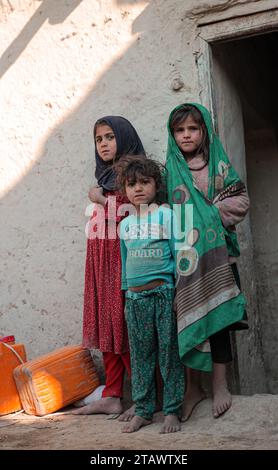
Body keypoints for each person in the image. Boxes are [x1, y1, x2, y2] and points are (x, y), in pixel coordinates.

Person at [165, 103, 249, 420]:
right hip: (184, 261)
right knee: (187, 319)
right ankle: (193, 389)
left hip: (218, 258)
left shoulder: (217, 166)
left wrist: (210, 215)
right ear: (172, 134)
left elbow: (241, 199)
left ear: (204, 132)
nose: (187, 135)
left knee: (219, 323)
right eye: (180, 130)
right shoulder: (169, 171)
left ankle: (219, 385)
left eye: (193, 129)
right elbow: (161, 212)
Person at [73, 116, 145, 418]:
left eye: (110, 137)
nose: (104, 143)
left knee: (124, 326)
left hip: (124, 260)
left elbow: (138, 213)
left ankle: (144, 397)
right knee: (107, 324)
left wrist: (102, 200)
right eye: (99, 139)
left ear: (125, 138)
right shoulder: (104, 175)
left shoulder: (138, 175)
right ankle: (113, 394)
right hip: (101, 262)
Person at [115, 155, 184, 434]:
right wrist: (124, 297)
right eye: (131, 184)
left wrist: (180, 292)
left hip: (164, 295)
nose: (138, 189)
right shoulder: (125, 225)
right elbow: (124, 262)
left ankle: (172, 411)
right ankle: (143, 409)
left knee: (169, 354)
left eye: (145, 182)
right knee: (141, 357)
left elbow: (180, 254)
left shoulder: (166, 215)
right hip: (135, 300)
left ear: (156, 185)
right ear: (125, 190)